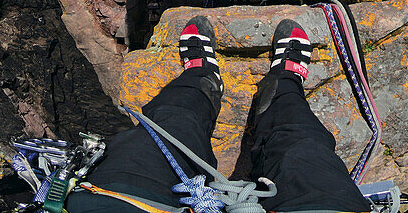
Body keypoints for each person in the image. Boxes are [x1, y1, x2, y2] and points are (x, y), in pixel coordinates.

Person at [67, 16, 372, 213]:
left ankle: (201, 77)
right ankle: (284, 83)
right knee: (305, 149)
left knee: (164, 134)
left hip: (118, 202)